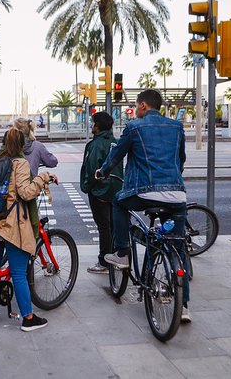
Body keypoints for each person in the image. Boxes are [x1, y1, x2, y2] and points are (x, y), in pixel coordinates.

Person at [96, 89, 191, 323]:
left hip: (145, 193)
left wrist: (103, 171)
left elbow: (116, 155)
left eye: (137, 106)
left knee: (118, 202)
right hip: (177, 195)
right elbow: (181, 159)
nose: (136, 110)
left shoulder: (134, 127)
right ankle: (185, 307)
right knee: (178, 248)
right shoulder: (176, 127)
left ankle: (122, 253)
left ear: (144, 106)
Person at [0, 128, 58, 331]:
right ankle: (28, 317)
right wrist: (43, 178)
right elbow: (25, 193)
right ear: (22, 146)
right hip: (11, 224)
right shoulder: (20, 163)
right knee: (18, 273)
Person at [80, 112, 123, 274]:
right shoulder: (115, 143)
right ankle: (116, 257)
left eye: (93, 123)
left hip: (100, 191)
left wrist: (87, 187)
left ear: (97, 126)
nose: (92, 126)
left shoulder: (96, 145)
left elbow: (91, 169)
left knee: (104, 227)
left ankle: (104, 261)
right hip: (116, 189)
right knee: (114, 226)